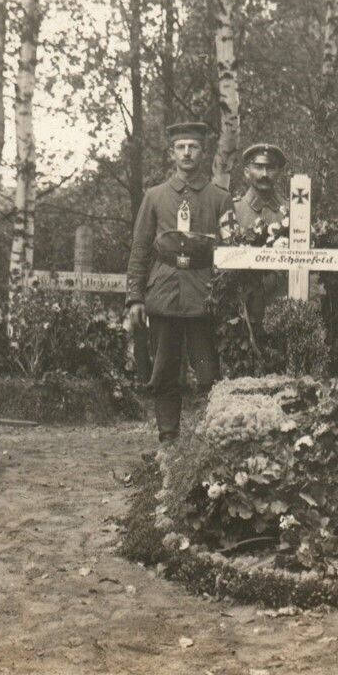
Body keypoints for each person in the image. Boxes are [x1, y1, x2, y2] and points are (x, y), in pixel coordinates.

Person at [126, 121, 233, 445]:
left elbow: (229, 253)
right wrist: (135, 297)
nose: (187, 153)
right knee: (164, 371)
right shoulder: (155, 197)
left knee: (208, 372)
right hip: (165, 293)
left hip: (205, 295)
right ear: (171, 153)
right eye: (181, 147)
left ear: (204, 152)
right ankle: (168, 438)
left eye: (194, 146)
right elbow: (141, 248)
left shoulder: (220, 198)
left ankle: (207, 438)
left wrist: (226, 298)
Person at [230, 143, 289, 327]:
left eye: (270, 167)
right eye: (258, 167)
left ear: (278, 172)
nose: (264, 174)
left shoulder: (293, 211)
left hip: (283, 306)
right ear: (247, 172)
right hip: (242, 311)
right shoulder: (234, 210)